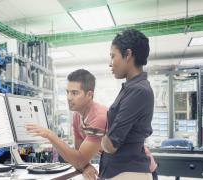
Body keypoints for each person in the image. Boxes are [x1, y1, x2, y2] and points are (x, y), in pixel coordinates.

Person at [26, 69, 108, 179]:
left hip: (124, 168)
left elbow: (78, 161)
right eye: (67, 92)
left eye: (74, 93)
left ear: (89, 95)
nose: (68, 98)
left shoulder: (100, 117)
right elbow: (78, 156)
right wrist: (86, 166)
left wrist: (50, 135)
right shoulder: (77, 115)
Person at [98, 29, 155, 180]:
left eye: (113, 56)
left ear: (128, 54)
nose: (110, 63)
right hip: (119, 171)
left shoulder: (138, 91)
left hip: (127, 173)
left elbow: (111, 144)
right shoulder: (131, 88)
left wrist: (102, 138)